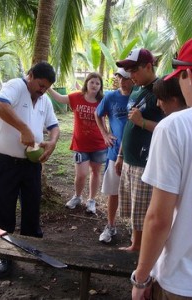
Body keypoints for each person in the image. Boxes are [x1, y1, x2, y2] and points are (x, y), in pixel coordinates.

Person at [131, 39, 192, 300]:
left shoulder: (175, 127)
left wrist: (141, 279)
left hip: (181, 280)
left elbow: (159, 219)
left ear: (187, 74)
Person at [0, 61, 60, 279]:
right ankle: (5, 254)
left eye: (46, 87)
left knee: (32, 205)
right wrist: (24, 128)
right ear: (30, 75)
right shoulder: (15, 86)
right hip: (5, 162)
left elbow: (54, 126)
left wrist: (52, 142)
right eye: (40, 85)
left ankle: (32, 247)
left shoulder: (44, 100)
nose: (42, 90)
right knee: (4, 208)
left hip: (31, 164)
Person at [116, 48, 164, 251]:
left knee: (143, 210)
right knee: (134, 208)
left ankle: (141, 248)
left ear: (148, 66)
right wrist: (120, 155)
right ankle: (136, 245)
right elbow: (129, 124)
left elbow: (168, 127)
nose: (130, 75)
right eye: (128, 70)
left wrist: (142, 122)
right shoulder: (137, 89)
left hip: (146, 162)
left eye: (134, 69)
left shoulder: (161, 90)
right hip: (129, 159)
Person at [48, 73, 107, 214]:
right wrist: (48, 88)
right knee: (81, 174)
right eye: (92, 82)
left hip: (99, 144)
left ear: (100, 87)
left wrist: (109, 135)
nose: (94, 85)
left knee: (96, 172)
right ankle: (77, 197)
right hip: (80, 144)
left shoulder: (103, 101)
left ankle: (92, 200)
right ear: (87, 83)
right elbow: (60, 99)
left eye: (97, 83)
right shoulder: (76, 97)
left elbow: (111, 118)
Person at [94, 68, 134, 243]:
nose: (123, 81)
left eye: (126, 78)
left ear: (133, 78)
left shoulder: (138, 96)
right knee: (113, 192)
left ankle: (136, 228)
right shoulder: (110, 97)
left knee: (135, 192)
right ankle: (110, 226)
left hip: (134, 155)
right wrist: (104, 134)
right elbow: (98, 114)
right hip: (114, 152)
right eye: (120, 77)